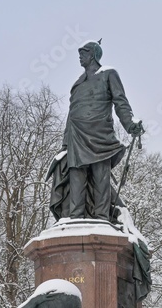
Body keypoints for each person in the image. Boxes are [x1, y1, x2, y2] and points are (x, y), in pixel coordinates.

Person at [61, 40, 144, 221]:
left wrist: (130, 124)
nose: (80, 57)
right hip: (77, 137)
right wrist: (65, 143)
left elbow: (120, 102)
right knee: (76, 179)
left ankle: (101, 219)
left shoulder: (108, 74)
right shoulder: (77, 84)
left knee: (101, 179)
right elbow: (71, 113)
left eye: (83, 53)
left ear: (93, 54)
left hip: (101, 136)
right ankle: (75, 219)